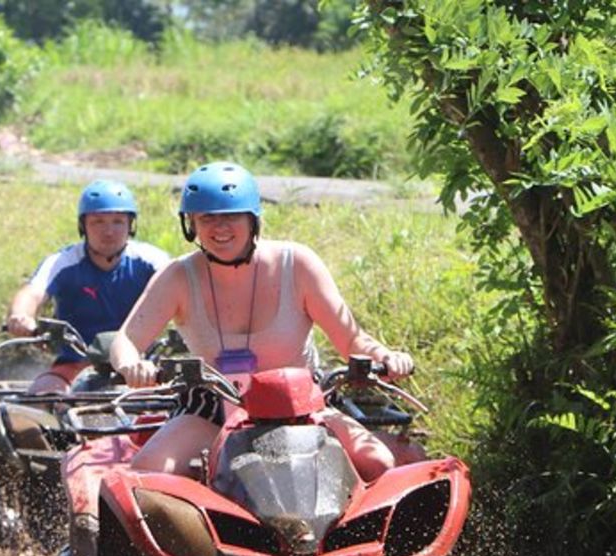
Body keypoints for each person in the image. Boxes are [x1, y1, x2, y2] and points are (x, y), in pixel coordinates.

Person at [109, 161, 413, 481]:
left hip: (301, 402)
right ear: (191, 224)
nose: (219, 227)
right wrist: (132, 365)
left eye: (231, 216)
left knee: (377, 461)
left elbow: (352, 340)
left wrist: (386, 357)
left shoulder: (297, 264)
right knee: (149, 473)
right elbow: (126, 340)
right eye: (207, 217)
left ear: (253, 219)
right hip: (213, 406)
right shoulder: (177, 276)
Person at [7, 179, 170, 393]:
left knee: (178, 406)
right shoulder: (63, 262)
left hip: (141, 367)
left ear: (131, 225)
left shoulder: (151, 259)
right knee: (42, 396)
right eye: (98, 222)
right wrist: (21, 317)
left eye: (118, 221)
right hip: (75, 363)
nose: (109, 231)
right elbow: (33, 292)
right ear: (83, 226)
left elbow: (186, 289)